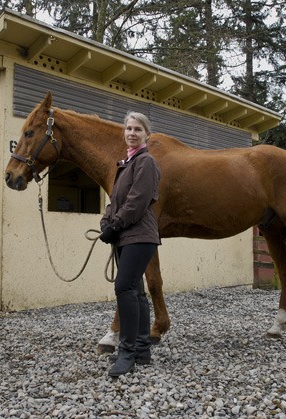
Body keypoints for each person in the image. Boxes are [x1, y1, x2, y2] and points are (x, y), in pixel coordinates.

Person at [99, 111, 161, 377]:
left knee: (123, 287)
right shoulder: (126, 164)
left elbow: (136, 201)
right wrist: (106, 222)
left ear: (147, 134)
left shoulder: (146, 162)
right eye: (129, 129)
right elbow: (115, 200)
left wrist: (116, 225)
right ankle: (141, 350)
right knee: (136, 292)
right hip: (127, 236)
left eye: (138, 129)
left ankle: (126, 354)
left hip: (140, 235)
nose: (132, 133)